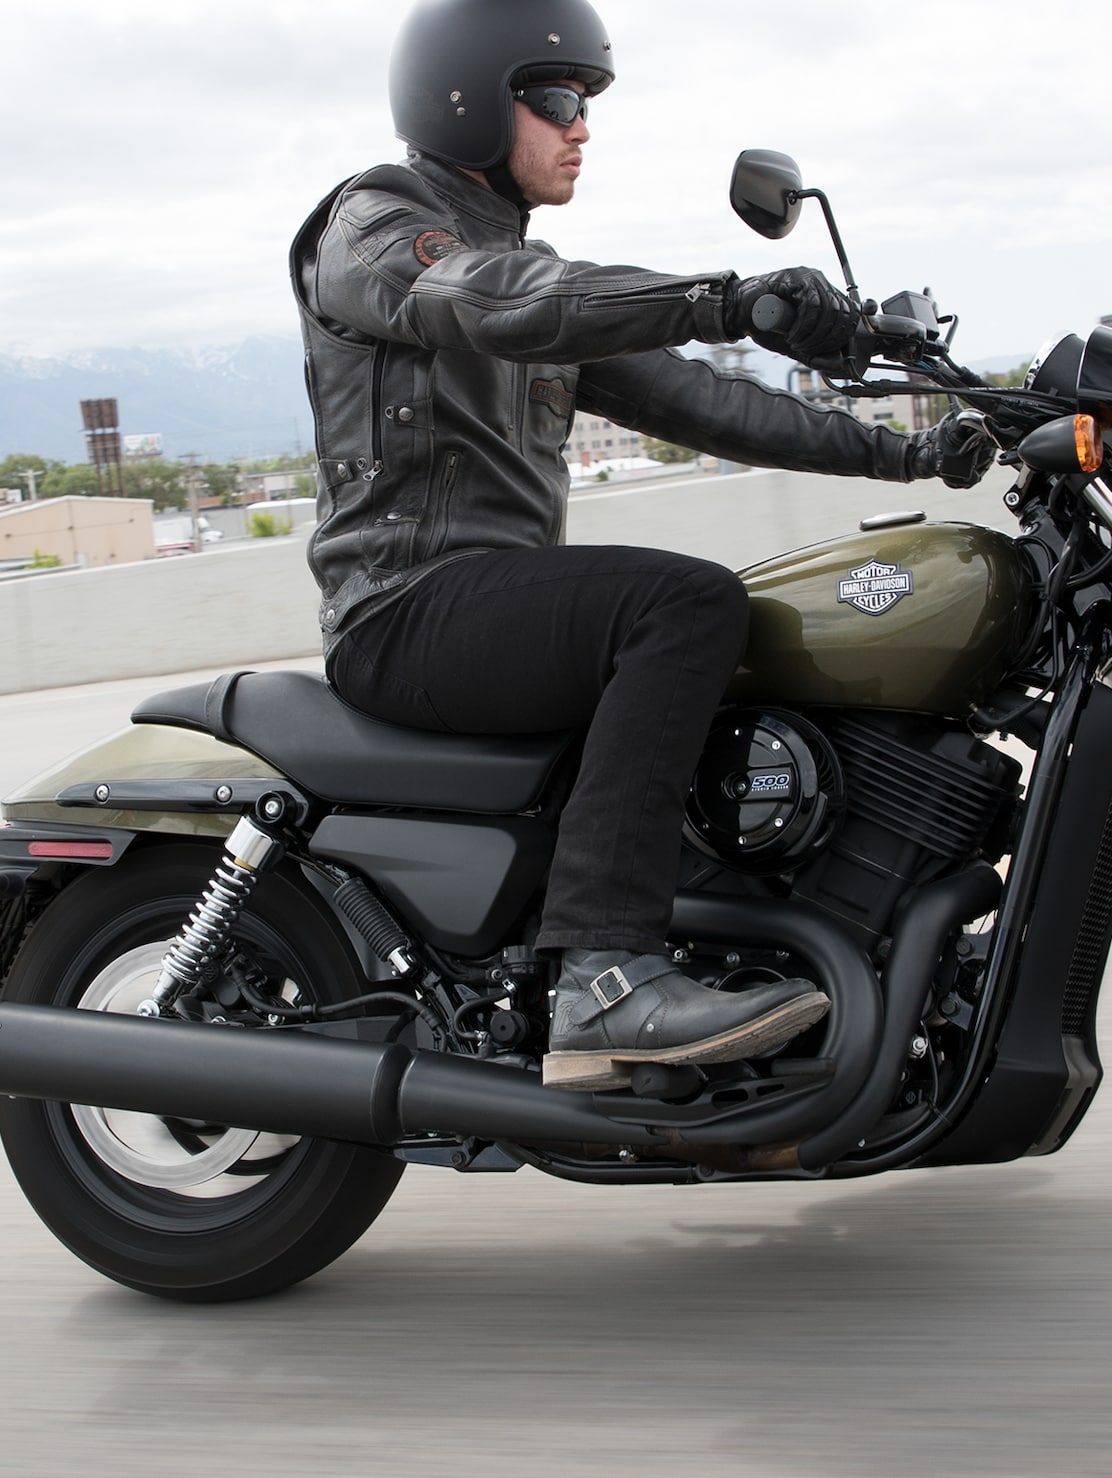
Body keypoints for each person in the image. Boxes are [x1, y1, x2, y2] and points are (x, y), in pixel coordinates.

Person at [290, 0, 994, 1092]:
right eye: (560, 97)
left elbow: (708, 404)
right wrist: (723, 295)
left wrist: (910, 450)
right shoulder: (378, 229)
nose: (582, 126)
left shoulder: (536, 282)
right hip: (406, 606)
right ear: (469, 98)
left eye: (587, 103)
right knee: (684, 604)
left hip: (489, 603)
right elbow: (489, 300)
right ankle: (604, 981)